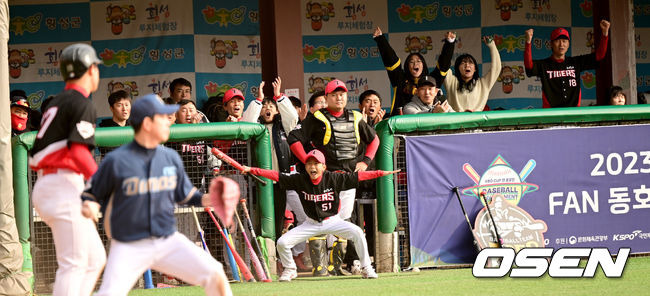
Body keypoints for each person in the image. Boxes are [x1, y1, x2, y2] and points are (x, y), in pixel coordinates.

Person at [81, 94, 233, 296]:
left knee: (215, 273)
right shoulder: (116, 160)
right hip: (129, 245)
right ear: (147, 123)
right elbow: (89, 195)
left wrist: (211, 198)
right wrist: (89, 205)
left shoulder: (169, 157)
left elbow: (187, 196)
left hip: (166, 240)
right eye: (163, 117)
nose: (169, 121)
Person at [241, 149, 400, 281]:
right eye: (309, 163)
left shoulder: (334, 178)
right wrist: (251, 170)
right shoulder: (300, 179)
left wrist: (382, 172)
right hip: (310, 223)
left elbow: (359, 176)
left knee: (358, 232)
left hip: (333, 221)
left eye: (316, 163)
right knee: (282, 242)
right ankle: (290, 269)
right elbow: (275, 175)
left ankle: (367, 268)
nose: (312, 167)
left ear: (323, 166)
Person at [29, 43, 106, 296]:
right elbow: (79, 151)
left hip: (53, 184)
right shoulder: (80, 102)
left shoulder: (59, 101)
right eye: (96, 66)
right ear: (90, 69)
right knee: (73, 265)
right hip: (61, 185)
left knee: (94, 259)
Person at [288, 79, 379, 276]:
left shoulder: (355, 117)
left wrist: (365, 162)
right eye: (334, 94)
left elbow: (374, 140)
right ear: (327, 97)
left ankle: (339, 265)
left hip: (347, 177)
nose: (339, 97)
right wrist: (310, 162)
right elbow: (294, 139)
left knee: (344, 219)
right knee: (321, 219)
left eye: (342, 94)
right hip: (324, 179)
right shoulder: (317, 118)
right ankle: (320, 266)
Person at [524, 20, 610, 108]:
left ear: (568, 44)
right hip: (551, 113)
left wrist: (605, 34)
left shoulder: (576, 62)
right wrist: (528, 42)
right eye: (557, 41)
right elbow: (529, 66)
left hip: (573, 112)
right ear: (551, 44)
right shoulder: (544, 64)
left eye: (564, 41)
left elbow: (599, 56)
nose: (561, 44)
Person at [373, 27, 454, 116]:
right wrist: (381, 39)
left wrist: (449, 43)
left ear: (423, 65)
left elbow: (443, 65)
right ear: (407, 66)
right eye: (411, 62)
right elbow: (392, 62)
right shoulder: (400, 80)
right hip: (400, 123)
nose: (415, 64)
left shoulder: (431, 80)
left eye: (419, 61)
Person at [443, 34, 502, 112]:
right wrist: (449, 43)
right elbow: (443, 63)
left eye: (470, 63)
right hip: (456, 122)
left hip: (476, 123)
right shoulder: (451, 81)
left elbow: (496, 68)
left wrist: (492, 45)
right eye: (463, 62)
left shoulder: (483, 84)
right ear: (458, 68)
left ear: (475, 69)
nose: (467, 65)